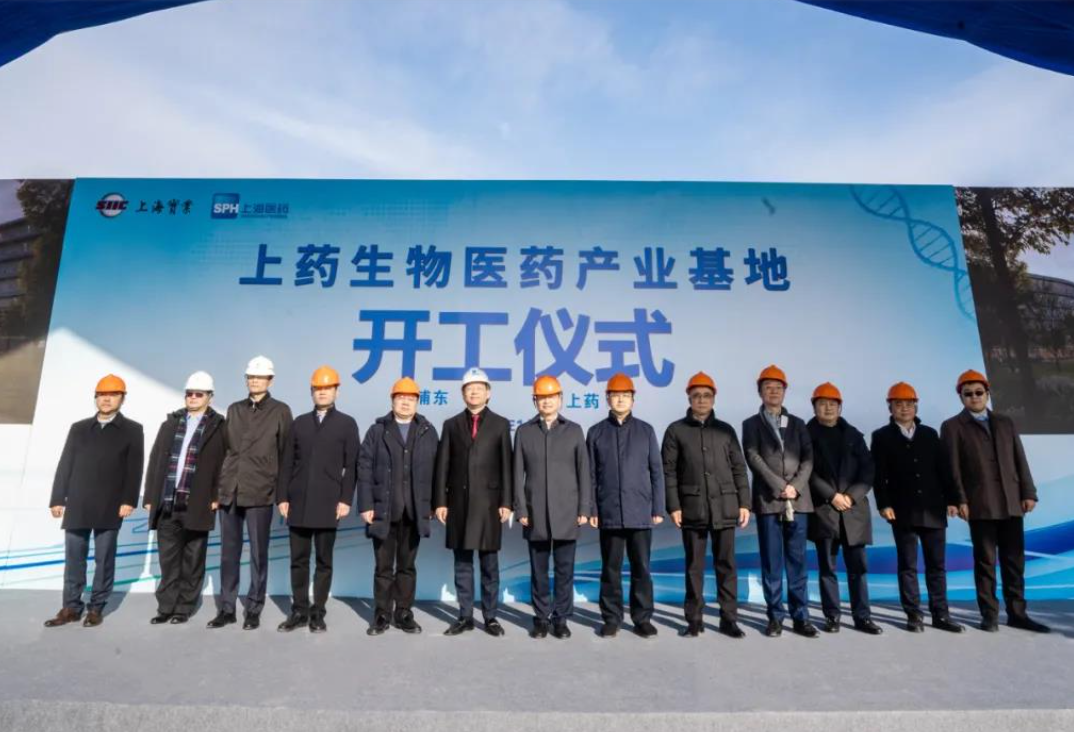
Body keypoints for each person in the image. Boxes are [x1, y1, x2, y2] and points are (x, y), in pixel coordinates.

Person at [941, 369, 1049, 633]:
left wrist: (1028, 492)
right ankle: (989, 615)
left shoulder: (1005, 422)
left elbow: (1019, 458)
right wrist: (959, 499)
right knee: (985, 563)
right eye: (968, 394)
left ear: (987, 394)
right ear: (961, 397)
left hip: (1011, 503)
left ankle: (1017, 614)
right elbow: (951, 468)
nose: (974, 397)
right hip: (980, 505)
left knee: (1014, 562)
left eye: (979, 392)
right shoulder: (952, 426)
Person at [45, 374, 144, 628]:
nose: (106, 399)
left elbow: (134, 468)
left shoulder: (132, 430)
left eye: (112, 395)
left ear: (122, 398)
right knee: (74, 559)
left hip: (111, 504)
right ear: (95, 398)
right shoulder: (79, 428)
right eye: (102, 395)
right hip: (78, 502)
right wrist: (57, 498)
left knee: (104, 559)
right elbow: (65, 462)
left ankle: (96, 608)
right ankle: (71, 607)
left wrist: (129, 500)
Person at [662, 371, 750, 638]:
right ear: (688, 398)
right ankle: (694, 620)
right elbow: (669, 472)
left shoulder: (725, 430)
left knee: (726, 565)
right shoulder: (676, 430)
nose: (701, 400)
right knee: (694, 567)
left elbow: (739, 468)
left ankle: (729, 619)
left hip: (725, 506)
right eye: (696, 395)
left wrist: (744, 503)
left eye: (707, 395)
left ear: (714, 398)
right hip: (692, 508)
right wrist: (674, 506)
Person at [871, 382, 964, 633]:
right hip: (902, 511)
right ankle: (913, 614)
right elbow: (878, 475)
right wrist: (884, 504)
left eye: (909, 404)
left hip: (933, 509)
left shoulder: (929, 434)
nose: (904, 408)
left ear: (916, 406)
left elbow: (944, 470)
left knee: (937, 566)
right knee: (908, 566)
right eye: (898, 404)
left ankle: (941, 614)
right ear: (890, 407)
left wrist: (953, 500)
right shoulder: (881, 436)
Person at [209, 355, 292, 630]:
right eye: (251, 376)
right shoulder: (234, 409)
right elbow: (225, 450)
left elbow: (286, 455)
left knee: (258, 553)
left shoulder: (280, 411)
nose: (254, 380)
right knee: (228, 552)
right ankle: (227, 608)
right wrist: (218, 489)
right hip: (230, 490)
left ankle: (254, 608)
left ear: (270, 380)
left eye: (260, 377)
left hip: (260, 490)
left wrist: (282, 494)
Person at [276, 366, 359, 633]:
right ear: (312, 392)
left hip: (328, 503)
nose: (322, 393)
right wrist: (282, 497)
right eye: (317, 388)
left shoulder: (346, 424)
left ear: (336, 391)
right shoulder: (299, 423)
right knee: (298, 560)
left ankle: (318, 612)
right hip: (298, 502)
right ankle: (299, 610)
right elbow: (286, 463)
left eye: (327, 388)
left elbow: (352, 466)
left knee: (324, 562)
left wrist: (345, 499)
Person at [434, 367, 513, 637]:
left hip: (490, 505)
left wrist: (507, 502)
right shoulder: (451, 424)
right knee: (462, 563)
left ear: (488, 393)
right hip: (459, 503)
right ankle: (465, 616)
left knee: (489, 564)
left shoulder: (501, 424)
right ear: (463, 394)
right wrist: (440, 501)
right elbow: (442, 466)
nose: (474, 392)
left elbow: (507, 466)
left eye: (479, 388)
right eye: (469, 388)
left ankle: (491, 617)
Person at [144, 371, 227, 625]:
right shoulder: (171, 423)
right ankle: (166, 607)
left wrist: (217, 495)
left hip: (198, 502)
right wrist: (151, 495)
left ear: (210, 397)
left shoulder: (219, 427)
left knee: (193, 559)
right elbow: (155, 459)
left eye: (198, 394)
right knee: (168, 560)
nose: (192, 397)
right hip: (168, 501)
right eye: (189, 393)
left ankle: (184, 607)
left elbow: (224, 464)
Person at [513, 375, 592, 640]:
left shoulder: (574, 431)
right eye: (542, 398)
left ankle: (561, 619)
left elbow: (584, 472)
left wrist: (584, 508)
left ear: (560, 399)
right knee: (538, 571)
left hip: (567, 512)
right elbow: (517, 474)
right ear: (535, 401)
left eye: (551, 397)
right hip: (535, 513)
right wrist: (521, 509)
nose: (547, 402)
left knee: (564, 570)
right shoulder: (524, 432)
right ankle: (540, 618)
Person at [359, 377, 439, 635]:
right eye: (400, 398)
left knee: (407, 566)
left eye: (411, 398)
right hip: (383, 510)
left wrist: (434, 504)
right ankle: (381, 614)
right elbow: (364, 468)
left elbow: (437, 471)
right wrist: (366, 504)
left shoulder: (427, 431)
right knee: (383, 567)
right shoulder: (377, 431)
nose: (405, 402)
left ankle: (404, 612)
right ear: (392, 400)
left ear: (417, 402)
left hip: (414, 511)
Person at [741, 364, 817, 638]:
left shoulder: (798, 423)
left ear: (785, 391)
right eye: (768, 388)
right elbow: (753, 457)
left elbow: (808, 458)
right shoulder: (750, 424)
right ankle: (775, 617)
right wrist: (779, 486)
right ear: (760, 392)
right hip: (769, 500)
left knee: (797, 562)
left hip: (798, 501)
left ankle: (801, 617)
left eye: (778, 388)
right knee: (772, 562)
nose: (773, 392)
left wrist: (794, 487)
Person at [587, 373, 666, 639]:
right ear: (607, 399)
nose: (620, 399)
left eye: (625, 395)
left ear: (633, 399)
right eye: (615, 395)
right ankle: (611, 618)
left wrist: (658, 507)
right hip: (609, 511)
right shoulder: (596, 432)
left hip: (640, 511)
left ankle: (642, 618)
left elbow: (656, 472)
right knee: (610, 568)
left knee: (641, 567)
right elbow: (590, 475)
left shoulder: (646, 431)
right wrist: (592, 509)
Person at [806, 382, 881, 635]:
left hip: (853, 510)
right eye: (822, 403)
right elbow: (807, 472)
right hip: (825, 510)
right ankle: (832, 616)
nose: (828, 408)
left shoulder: (853, 435)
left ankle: (863, 617)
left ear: (840, 407)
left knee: (858, 568)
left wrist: (851, 496)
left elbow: (868, 469)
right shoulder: (806, 435)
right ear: (814, 407)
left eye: (833, 403)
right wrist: (831, 496)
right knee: (828, 569)